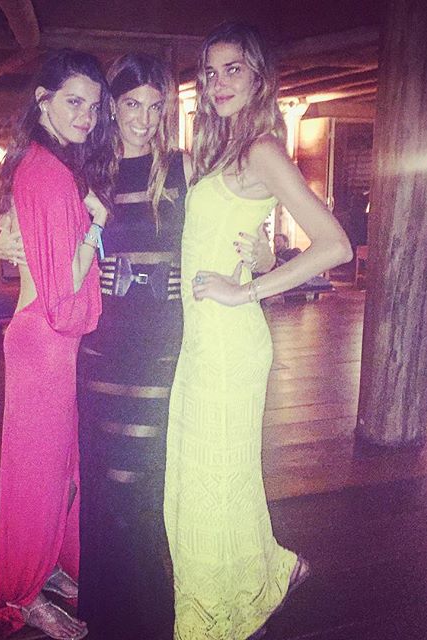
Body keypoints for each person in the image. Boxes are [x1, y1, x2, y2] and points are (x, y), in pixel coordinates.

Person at [76, 53, 275, 640]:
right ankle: (109, 616)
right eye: (132, 104)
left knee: (144, 482)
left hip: (164, 344)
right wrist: (11, 239)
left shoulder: (187, 168)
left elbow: (238, 225)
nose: (143, 119)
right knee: (105, 480)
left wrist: (263, 255)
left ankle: (150, 617)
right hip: (103, 343)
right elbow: (53, 236)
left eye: (155, 106)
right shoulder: (90, 168)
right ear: (113, 107)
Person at [163, 23, 352, 640]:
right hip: (202, 341)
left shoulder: (262, 150)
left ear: (258, 77)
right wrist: (263, 260)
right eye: (210, 72)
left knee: (211, 482)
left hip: (230, 341)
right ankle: (265, 574)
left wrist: (246, 289)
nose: (218, 83)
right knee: (211, 478)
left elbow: (335, 245)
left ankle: (219, 617)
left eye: (233, 69)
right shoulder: (220, 149)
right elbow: (230, 234)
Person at [0, 49, 115, 640]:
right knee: (37, 471)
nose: (86, 116)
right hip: (46, 338)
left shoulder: (44, 163)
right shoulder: (48, 172)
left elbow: (27, 245)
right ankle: (21, 593)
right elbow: (62, 292)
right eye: (73, 102)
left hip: (45, 339)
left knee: (59, 466)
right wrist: (98, 225)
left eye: (94, 106)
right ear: (43, 101)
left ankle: (50, 564)